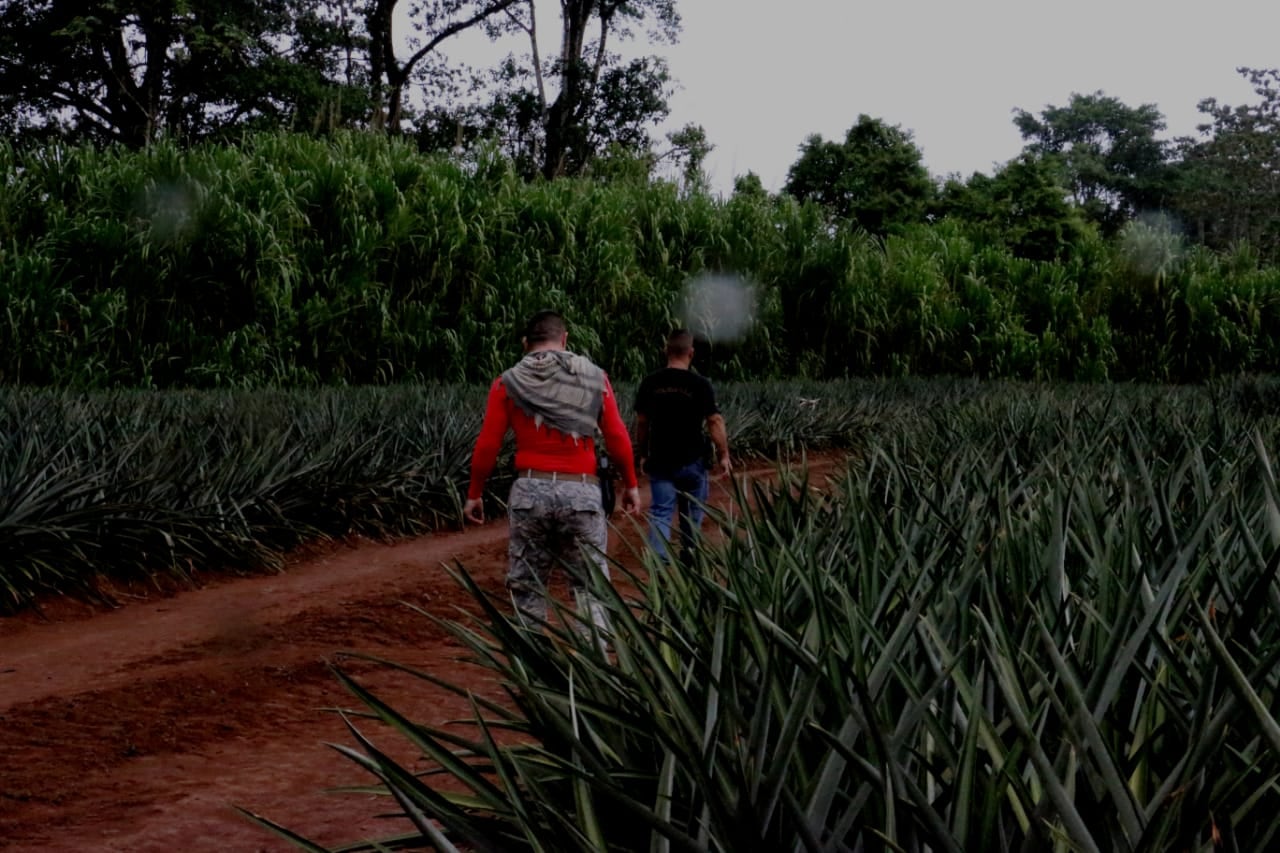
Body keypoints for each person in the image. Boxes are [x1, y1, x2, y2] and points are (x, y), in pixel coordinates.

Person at [463, 310, 641, 637]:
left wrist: (475, 493)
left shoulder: (508, 382)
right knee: (590, 587)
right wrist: (630, 484)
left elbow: (488, 443)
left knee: (528, 586)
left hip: (530, 490)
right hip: (582, 492)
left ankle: (533, 671)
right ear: (565, 339)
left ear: (524, 343)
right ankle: (595, 668)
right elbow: (616, 436)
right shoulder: (594, 377)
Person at [633, 329, 731, 562]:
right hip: (693, 459)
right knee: (692, 512)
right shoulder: (700, 384)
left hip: (661, 459)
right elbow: (714, 421)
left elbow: (642, 422)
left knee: (661, 511)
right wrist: (724, 454)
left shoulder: (651, 382)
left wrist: (642, 453)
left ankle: (659, 561)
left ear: (666, 351)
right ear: (691, 353)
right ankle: (690, 556)